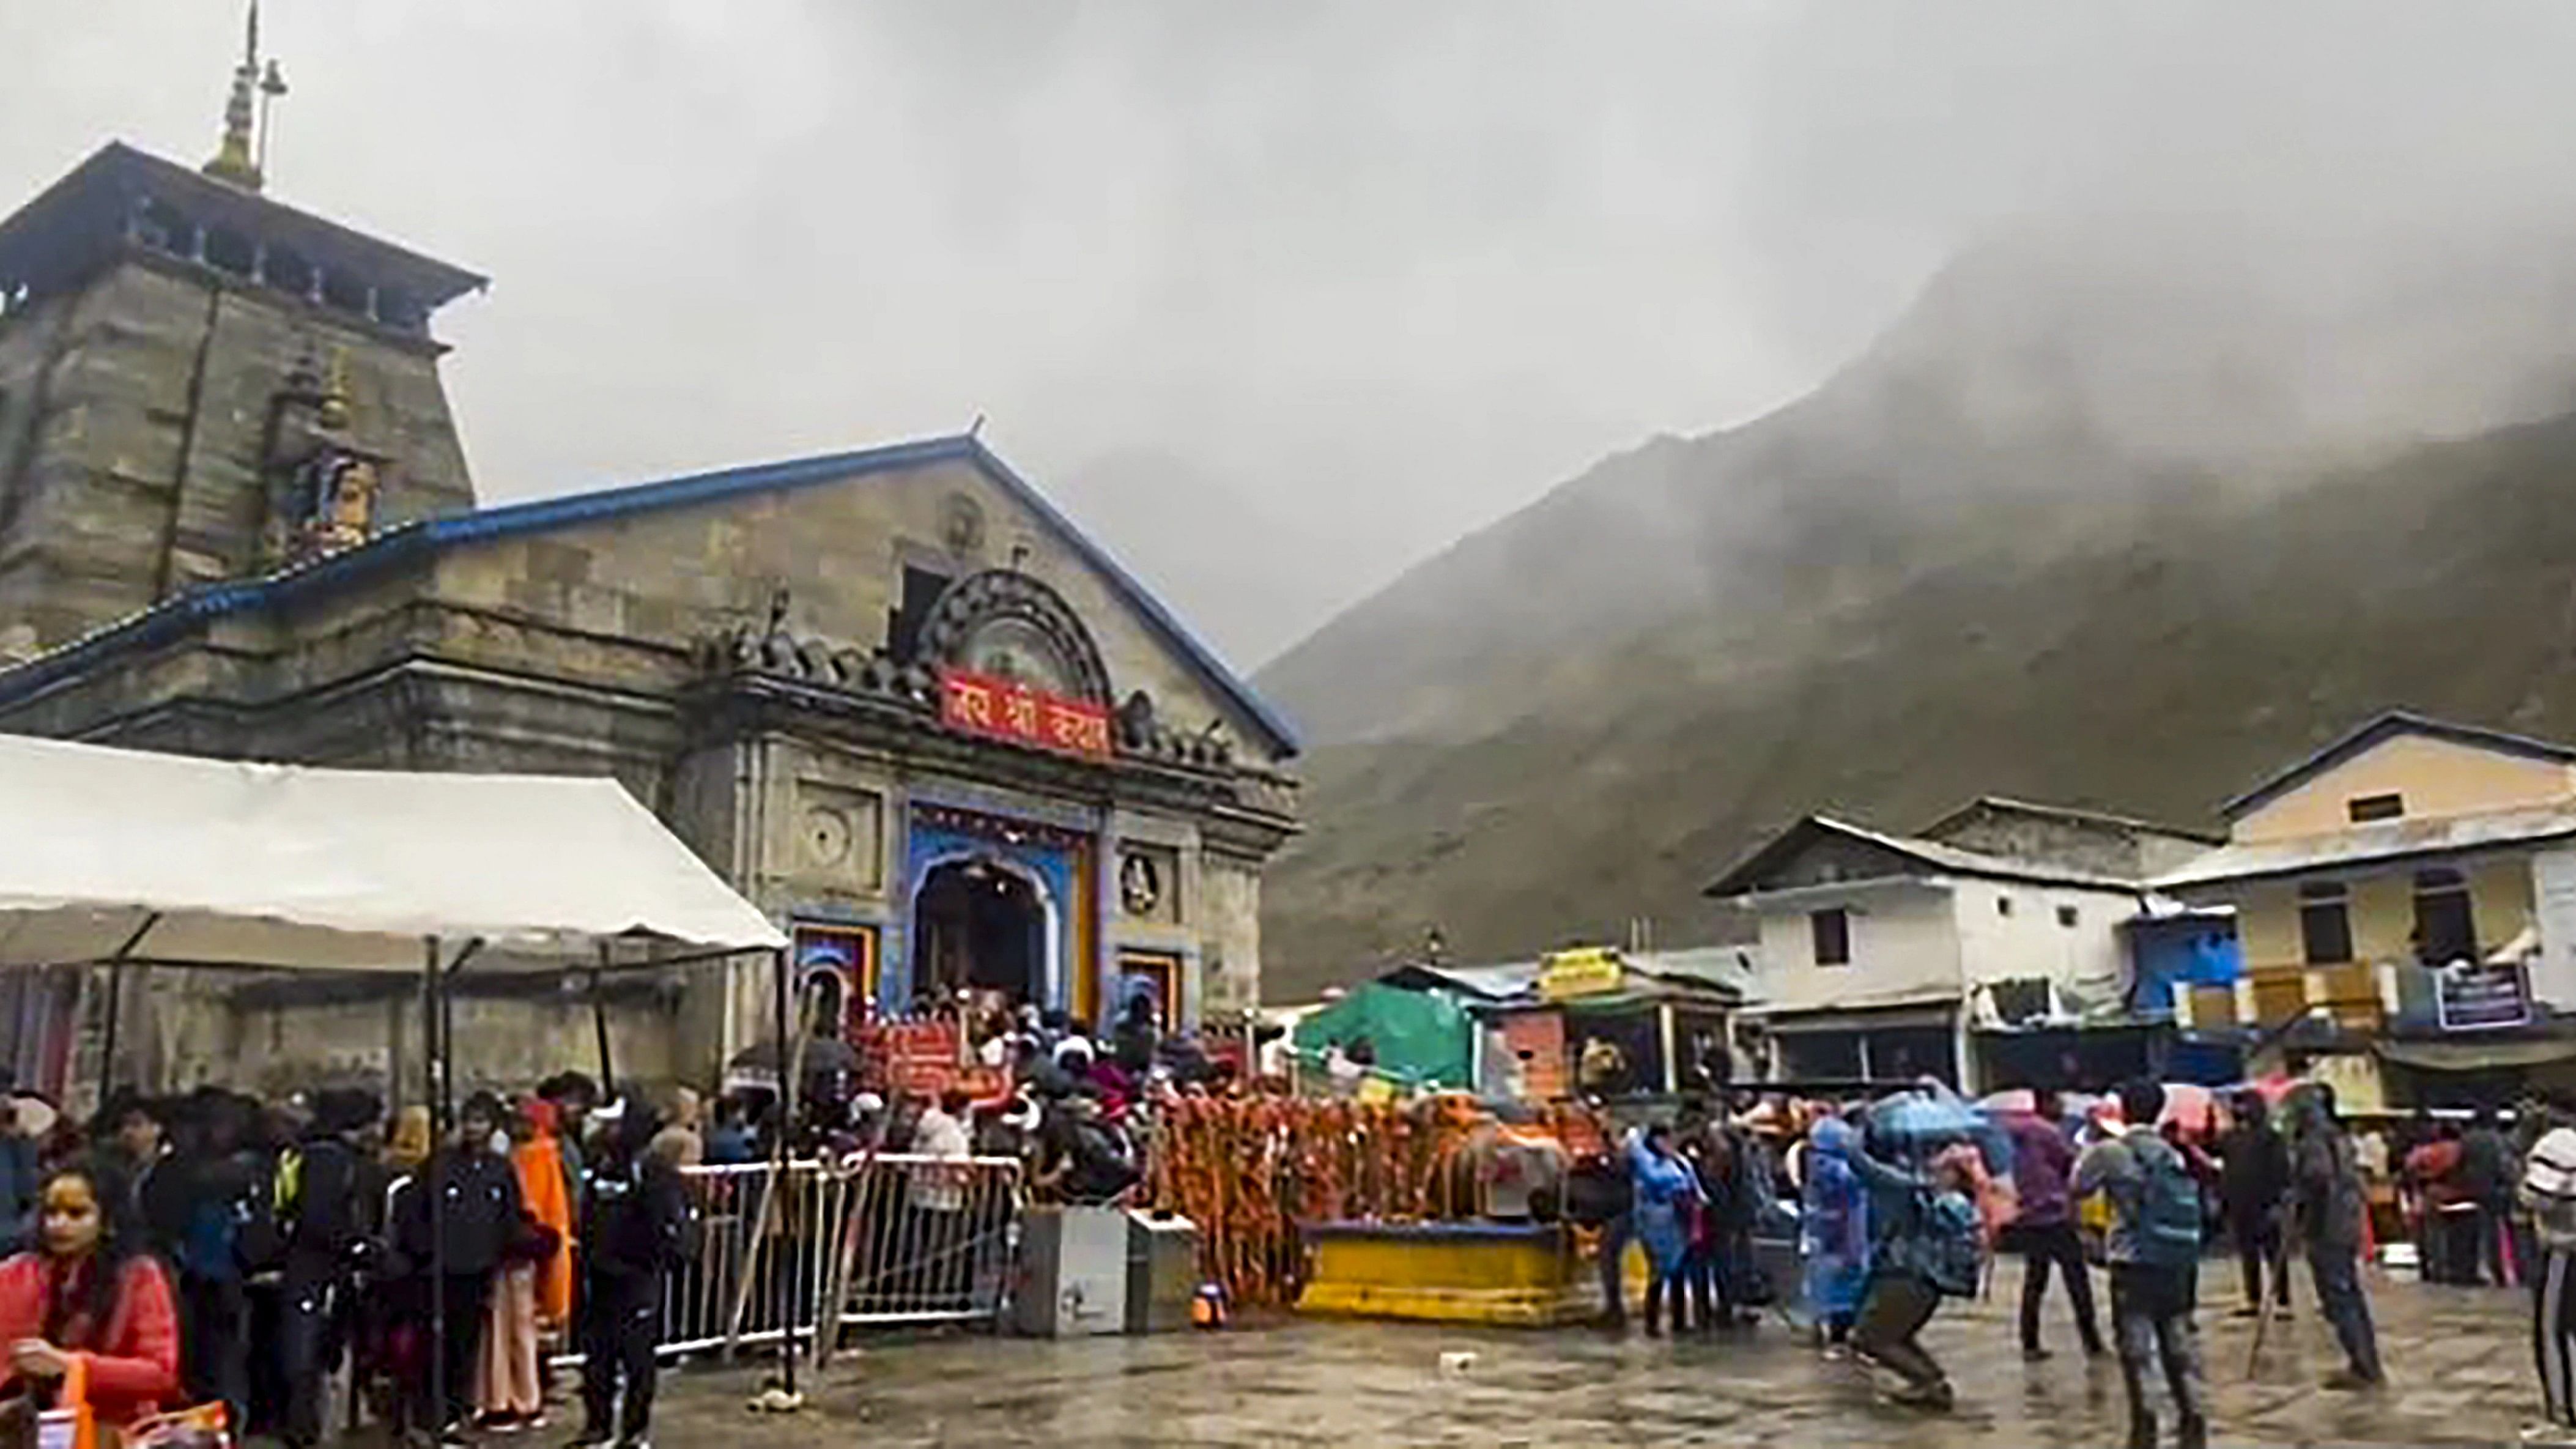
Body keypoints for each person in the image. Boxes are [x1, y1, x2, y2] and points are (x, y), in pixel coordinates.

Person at [2074, 1078, 2209, 1449]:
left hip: (2132, 1260)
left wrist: (2092, 1143)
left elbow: (2078, 1187)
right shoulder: (2175, 1152)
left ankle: (2145, 1427)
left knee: (2137, 1349)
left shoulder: (2111, 1152)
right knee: (2178, 1341)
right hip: (2179, 1258)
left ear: (2125, 1110)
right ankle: (2193, 1420)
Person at [0, 1164, 182, 1434]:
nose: (59, 1224)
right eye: (51, 1213)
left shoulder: (139, 1276)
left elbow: (159, 1374)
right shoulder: (15, 1274)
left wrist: (70, 1366)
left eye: (76, 1214)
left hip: (114, 1431)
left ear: (108, 1221)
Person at [395, 1092, 524, 1442]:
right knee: (434, 1344)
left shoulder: (500, 1170)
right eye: (468, 1121)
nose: (473, 1129)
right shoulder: (439, 1165)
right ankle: (427, 1415)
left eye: (481, 1122)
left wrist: (505, 1248)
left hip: (477, 1270)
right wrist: (424, 1252)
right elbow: (413, 1213)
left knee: (464, 1346)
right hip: (439, 1272)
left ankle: (453, 1412)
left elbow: (510, 1216)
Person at [573, 1095, 688, 1449]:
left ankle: (634, 1432)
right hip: (600, 1278)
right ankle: (598, 1426)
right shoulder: (600, 1164)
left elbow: (667, 1226)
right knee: (597, 1359)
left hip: (637, 1279)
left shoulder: (652, 1170)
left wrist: (647, 1261)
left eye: (615, 1123)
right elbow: (590, 1213)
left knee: (637, 1359)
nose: (607, 1129)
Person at [1845, 1126, 1985, 1410]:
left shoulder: (1929, 1197)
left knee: (1869, 1337)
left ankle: (1929, 1383)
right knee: (1898, 1335)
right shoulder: (1955, 1202)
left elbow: (1871, 1171)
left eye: (1941, 1162)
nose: (1933, 1164)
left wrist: (1850, 1142)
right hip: (1923, 1282)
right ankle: (1931, 1382)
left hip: (1910, 1277)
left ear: (1953, 1174)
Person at [275, 1087, 374, 1449]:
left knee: (317, 1348)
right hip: (315, 1267)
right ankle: (306, 1430)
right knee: (310, 1352)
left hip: (312, 1265)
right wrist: (360, 1247)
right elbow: (321, 1218)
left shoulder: (307, 1152)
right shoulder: (329, 1160)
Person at [2290, 1083, 2385, 1390]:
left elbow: (2317, 1180)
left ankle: (2362, 1365)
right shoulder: (2340, 1138)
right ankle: (2367, 1361)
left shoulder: (2315, 1142)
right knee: (2350, 1294)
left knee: (2338, 1297)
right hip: (2346, 1221)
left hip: (2327, 1225)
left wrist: (2301, 1210)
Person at [2006, 1088, 2104, 1360]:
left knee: (2034, 1283)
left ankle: (2030, 1343)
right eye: (2058, 1101)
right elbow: (2072, 1164)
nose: (2062, 1107)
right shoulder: (2048, 1133)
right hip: (2055, 1215)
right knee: (2077, 1280)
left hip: (2030, 1216)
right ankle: (2092, 1342)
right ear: (2045, 1102)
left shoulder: (2020, 1136)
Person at [2523, 1097, 2576, 1444]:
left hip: (2566, 1250)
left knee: (2555, 1333)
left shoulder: (2560, 1143)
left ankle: (2565, 1416)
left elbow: (2537, 1195)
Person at [2217, 1088, 2292, 1319]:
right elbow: (2225, 1170)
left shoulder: (2271, 1137)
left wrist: (2279, 1201)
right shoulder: (2229, 1139)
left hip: (2266, 1202)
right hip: (2240, 1204)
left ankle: (2283, 1300)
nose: (2240, 1110)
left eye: (2245, 1105)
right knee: (2247, 1253)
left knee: (2274, 1252)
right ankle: (2253, 1298)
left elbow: (2281, 1170)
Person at [1798, 1114, 1868, 1354]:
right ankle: (1842, 1338)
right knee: (1846, 1290)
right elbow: (1855, 1208)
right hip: (1842, 1237)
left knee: (1828, 1288)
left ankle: (1829, 1333)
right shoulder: (1843, 1170)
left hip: (1825, 1237)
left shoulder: (1817, 1166)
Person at [1627, 1124, 1703, 1336]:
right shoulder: (1646, 1162)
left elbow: (1694, 1185)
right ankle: (1652, 1323)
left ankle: (1679, 1321)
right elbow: (1656, 1181)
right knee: (1658, 1273)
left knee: (1679, 1273)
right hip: (1655, 1224)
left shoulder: (1679, 1161)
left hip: (1679, 1223)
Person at [2465, 1103, 2519, 1288]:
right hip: (2498, 1190)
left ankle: (2485, 1268)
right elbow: (2505, 1166)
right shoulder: (2499, 1140)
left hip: (2474, 1190)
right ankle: (2505, 1271)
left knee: (2483, 1232)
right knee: (2505, 1233)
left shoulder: (2468, 1140)